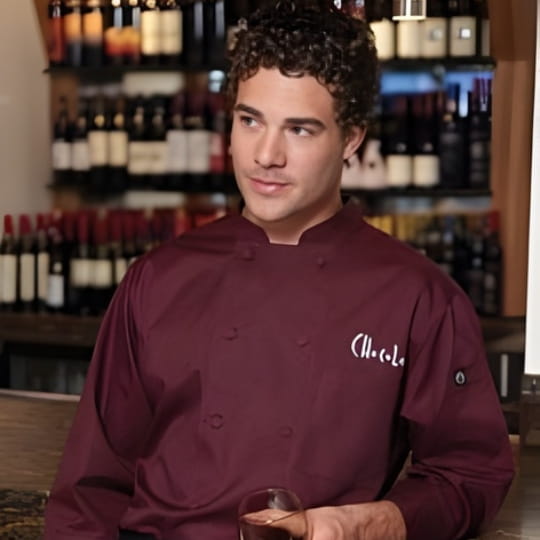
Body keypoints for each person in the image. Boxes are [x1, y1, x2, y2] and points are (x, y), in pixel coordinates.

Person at [44, 1, 514, 539]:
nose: (266, 155)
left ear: (351, 139)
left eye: (300, 130)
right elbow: (89, 490)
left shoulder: (418, 298)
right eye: (250, 121)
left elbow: (471, 474)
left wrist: (369, 522)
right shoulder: (157, 279)